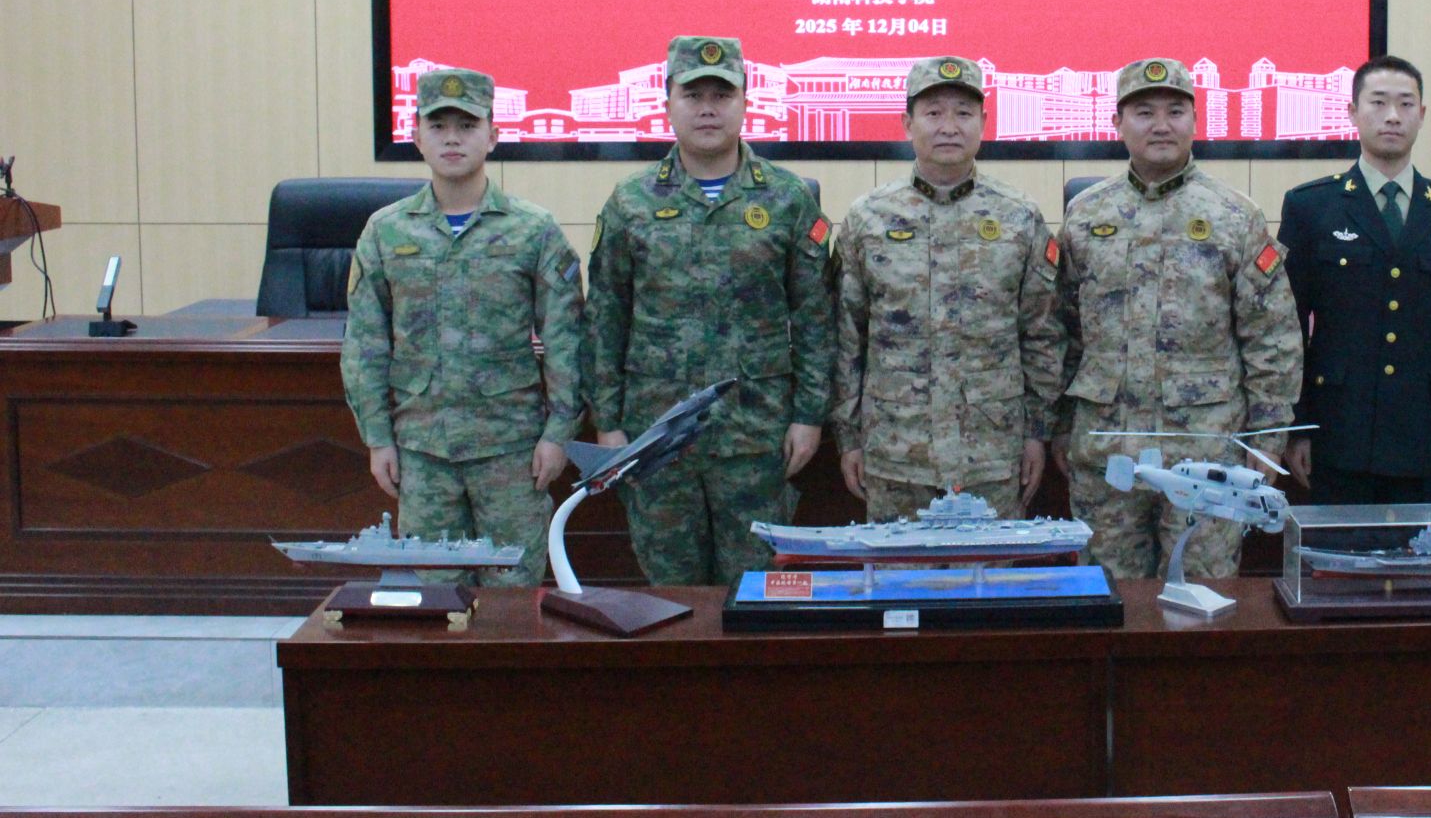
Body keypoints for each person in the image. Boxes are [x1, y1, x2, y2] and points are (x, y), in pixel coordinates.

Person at [581, 35, 833, 586]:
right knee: (673, 596)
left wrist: (809, 415)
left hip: (757, 435)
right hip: (658, 438)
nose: (708, 108)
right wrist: (608, 423)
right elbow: (604, 319)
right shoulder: (631, 201)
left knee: (754, 591)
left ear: (745, 103)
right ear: (668, 103)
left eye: (722, 95)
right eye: (693, 95)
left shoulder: (788, 199)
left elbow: (815, 318)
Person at [1052, 57, 1302, 580]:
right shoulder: (1085, 215)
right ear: (1117, 123)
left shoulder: (1234, 215)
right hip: (1107, 453)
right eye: (1144, 112)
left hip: (1207, 453)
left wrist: (1267, 442)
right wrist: (1058, 429)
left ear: (1195, 121)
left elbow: (1272, 338)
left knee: (1203, 592)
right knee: (1110, 594)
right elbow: (1061, 331)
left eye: (1175, 111)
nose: (1161, 125)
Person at [341, 67, 584, 586]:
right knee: (434, 594)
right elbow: (364, 344)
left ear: (493, 136)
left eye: (468, 125)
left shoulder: (532, 230)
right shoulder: (386, 231)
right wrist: (378, 438)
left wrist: (558, 434)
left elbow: (567, 341)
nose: (452, 138)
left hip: (512, 452)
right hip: (422, 451)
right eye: (438, 126)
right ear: (416, 137)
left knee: (513, 594)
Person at [832, 56, 1065, 521]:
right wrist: (848, 436)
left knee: (989, 569)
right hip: (895, 449)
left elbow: (1042, 334)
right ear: (907, 123)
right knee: (899, 568)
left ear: (984, 123)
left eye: (963, 113)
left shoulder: (1018, 217)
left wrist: (1035, 432)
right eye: (933, 112)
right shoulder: (867, 218)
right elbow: (846, 337)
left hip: (992, 452)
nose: (949, 127)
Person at [1277, 54, 1431, 505]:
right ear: (1352, 112)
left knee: (1420, 551)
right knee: (1337, 550)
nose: (1393, 116)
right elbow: (1288, 329)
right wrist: (1297, 427)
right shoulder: (1311, 207)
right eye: (1378, 102)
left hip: (1424, 432)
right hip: (1337, 428)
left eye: (1406, 104)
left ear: (1422, 115)